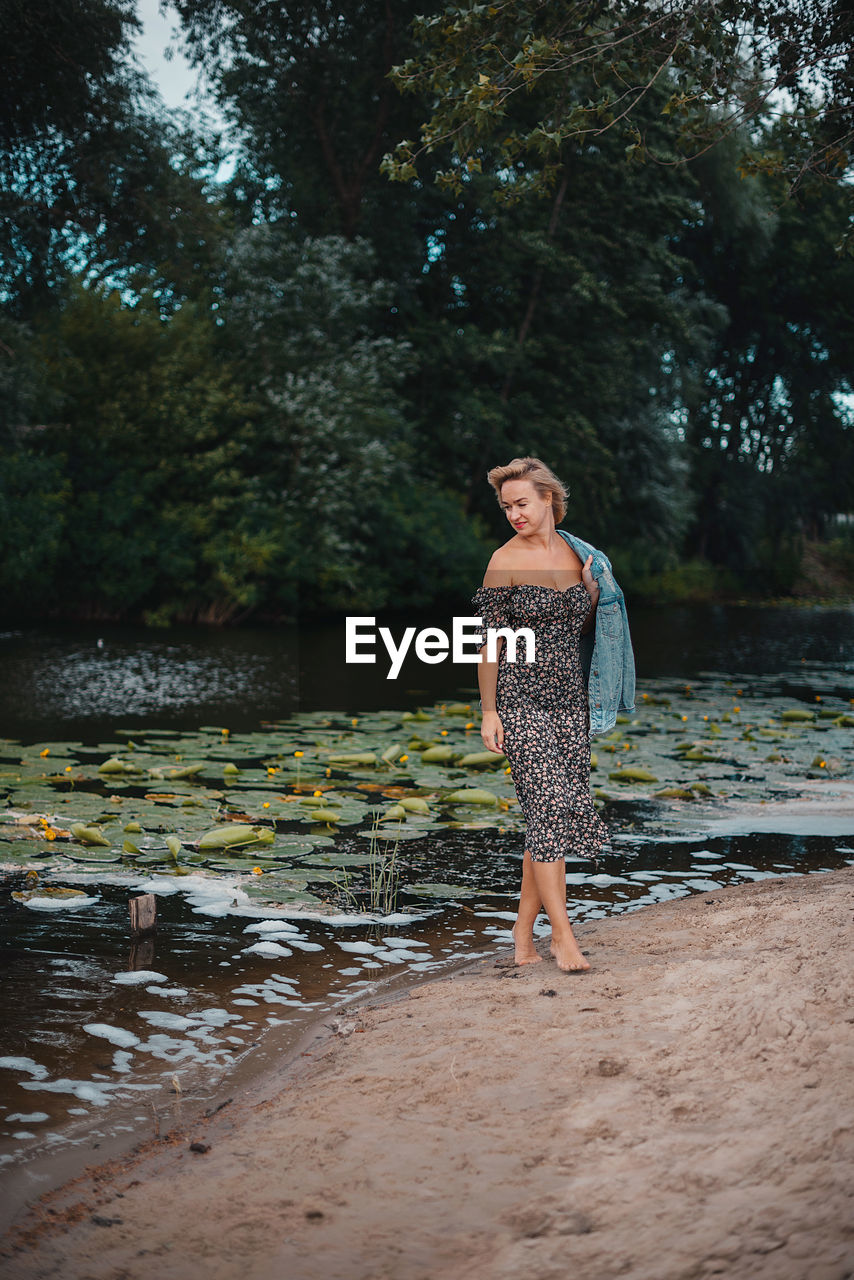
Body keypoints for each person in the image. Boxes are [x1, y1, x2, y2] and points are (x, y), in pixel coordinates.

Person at [472, 456, 621, 973]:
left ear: (549, 501)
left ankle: (521, 934)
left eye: (521, 504)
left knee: (547, 818)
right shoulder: (503, 560)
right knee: (548, 809)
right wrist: (490, 711)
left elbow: (588, 632)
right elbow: (488, 645)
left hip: (570, 700)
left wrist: (593, 592)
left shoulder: (581, 556)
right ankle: (564, 936)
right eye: (506, 507)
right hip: (520, 698)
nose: (513, 514)